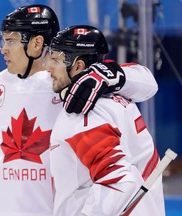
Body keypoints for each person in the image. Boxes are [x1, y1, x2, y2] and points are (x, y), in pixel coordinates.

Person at [0, 5, 160, 216]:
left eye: (11, 40)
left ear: (37, 43)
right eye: (2, 40)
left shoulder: (72, 87)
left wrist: (110, 74)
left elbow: (146, 83)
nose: (3, 48)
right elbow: (4, 145)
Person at [44, 25, 165, 216]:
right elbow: (147, 81)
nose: (47, 67)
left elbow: (118, 182)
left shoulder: (82, 113)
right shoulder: (121, 95)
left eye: (55, 59)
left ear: (78, 65)